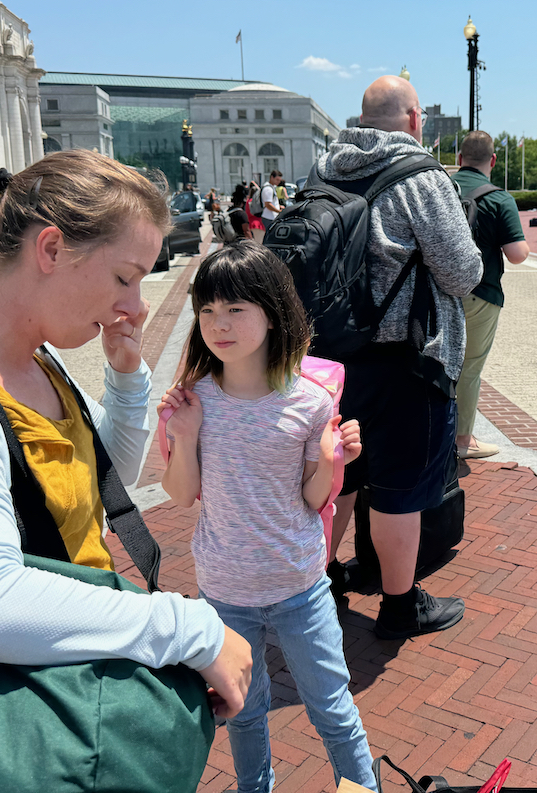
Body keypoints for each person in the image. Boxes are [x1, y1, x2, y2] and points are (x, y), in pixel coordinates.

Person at [0, 150, 253, 730]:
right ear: (50, 249)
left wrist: (126, 372)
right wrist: (187, 628)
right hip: (5, 715)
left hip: (60, 678)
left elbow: (109, 477)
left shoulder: (38, 358)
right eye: (124, 277)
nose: (135, 306)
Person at [159, 242, 377, 793]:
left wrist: (332, 460)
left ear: (273, 312)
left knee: (332, 709)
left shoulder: (311, 401)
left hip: (299, 585)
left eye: (236, 309)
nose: (219, 324)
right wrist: (185, 436)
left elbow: (312, 500)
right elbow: (181, 495)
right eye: (208, 310)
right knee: (243, 711)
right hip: (224, 589)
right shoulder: (193, 401)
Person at [320, 75, 482, 639]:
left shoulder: (322, 173)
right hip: (408, 361)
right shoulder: (420, 175)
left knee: (338, 477)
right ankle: (399, 605)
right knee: (399, 491)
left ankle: (323, 581)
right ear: (415, 119)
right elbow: (462, 273)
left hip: (330, 361)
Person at [452, 131, 529, 459]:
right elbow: (517, 254)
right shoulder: (499, 199)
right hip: (481, 295)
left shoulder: (441, 189)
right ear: (493, 160)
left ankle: (430, 432)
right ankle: (462, 441)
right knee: (469, 369)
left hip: (438, 293)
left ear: (459, 159)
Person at [255, 170, 284, 244]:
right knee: (270, 237)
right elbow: (268, 204)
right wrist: (279, 211)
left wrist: (279, 206)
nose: (278, 182)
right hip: (269, 217)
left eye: (279, 180)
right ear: (272, 177)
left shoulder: (272, 187)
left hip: (271, 216)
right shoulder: (268, 189)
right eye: (277, 179)